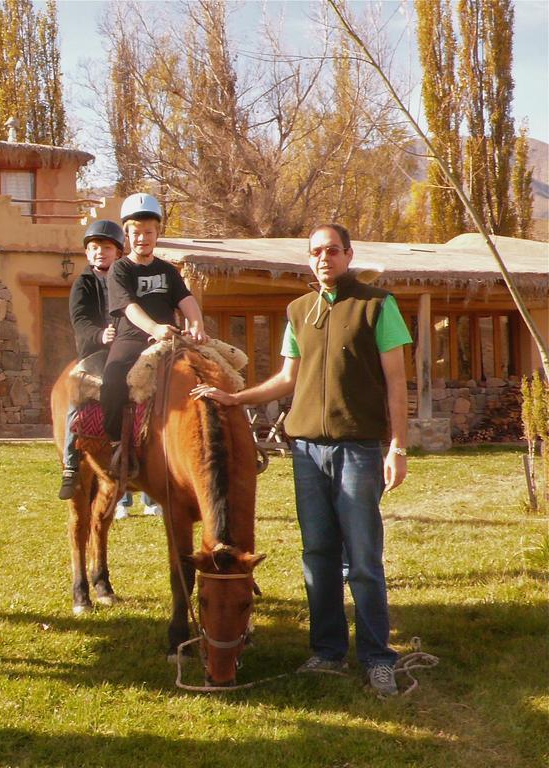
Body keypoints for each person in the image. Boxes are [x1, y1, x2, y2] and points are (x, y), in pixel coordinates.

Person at [193, 223, 411, 697]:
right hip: (307, 452)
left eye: (332, 250)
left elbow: (397, 381)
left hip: (358, 448)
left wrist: (397, 447)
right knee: (317, 556)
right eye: (315, 252)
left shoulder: (378, 306)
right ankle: (328, 651)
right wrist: (235, 399)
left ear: (349, 255)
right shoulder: (298, 310)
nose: (323, 258)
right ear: (308, 258)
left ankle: (377, 657)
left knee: (364, 560)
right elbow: (286, 379)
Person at [101, 192, 206, 475]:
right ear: (126, 235)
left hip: (170, 338)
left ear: (157, 233)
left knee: (212, 371)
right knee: (111, 380)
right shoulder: (120, 269)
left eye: (148, 232)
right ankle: (115, 444)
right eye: (136, 233)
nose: (142, 238)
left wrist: (196, 324)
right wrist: (154, 328)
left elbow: (186, 299)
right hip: (132, 339)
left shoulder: (168, 271)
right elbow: (129, 307)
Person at [58, 218, 125, 499]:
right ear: (87, 253)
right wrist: (100, 336)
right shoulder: (83, 284)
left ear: (118, 252)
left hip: (129, 347)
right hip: (96, 351)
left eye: (107, 247)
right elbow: (80, 320)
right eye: (95, 247)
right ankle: (71, 465)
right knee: (79, 394)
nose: (101, 252)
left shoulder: (126, 278)